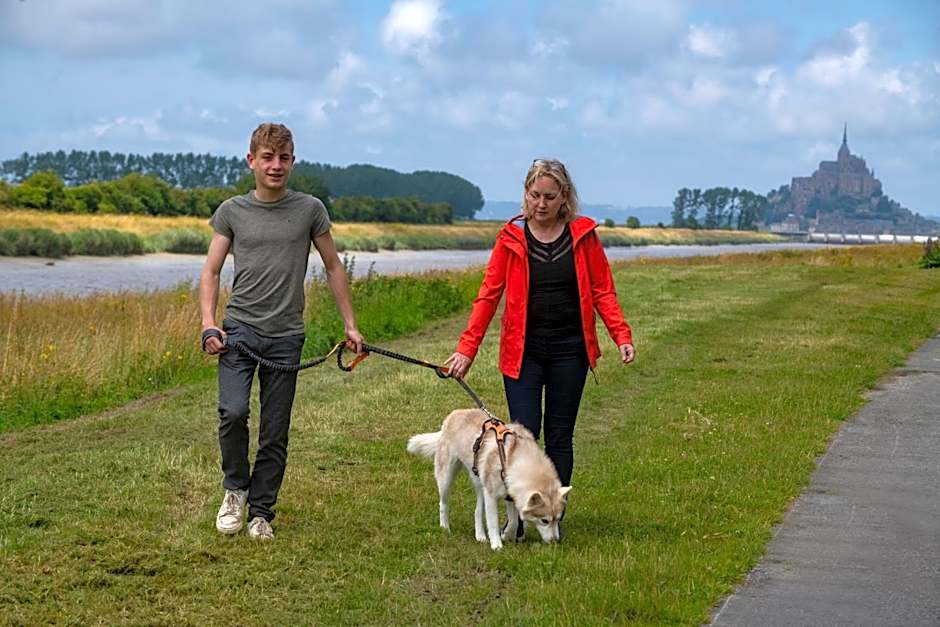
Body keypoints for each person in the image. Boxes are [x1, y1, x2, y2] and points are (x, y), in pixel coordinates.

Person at [445, 158, 635, 533]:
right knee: (522, 434)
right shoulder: (510, 238)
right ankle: (517, 519)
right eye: (534, 195)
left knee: (560, 435)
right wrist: (467, 348)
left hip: (570, 351)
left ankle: (553, 515)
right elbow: (488, 296)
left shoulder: (583, 236)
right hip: (523, 353)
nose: (541, 204)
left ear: (564, 197)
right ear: (526, 194)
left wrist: (621, 335)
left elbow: (603, 291)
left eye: (549, 196)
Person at [199, 123, 364, 540]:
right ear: (251, 161)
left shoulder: (310, 209)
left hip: (286, 336)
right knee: (233, 413)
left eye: (284, 158)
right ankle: (235, 490)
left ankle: (261, 514)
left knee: (274, 430)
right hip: (238, 332)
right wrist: (208, 324)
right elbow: (211, 271)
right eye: (267, 157)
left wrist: (350, 325)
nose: (276, 165)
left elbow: (333, 266)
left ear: (292, 161)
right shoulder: (231, 211)